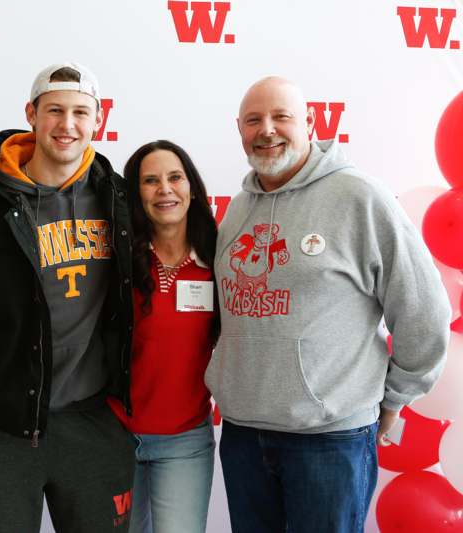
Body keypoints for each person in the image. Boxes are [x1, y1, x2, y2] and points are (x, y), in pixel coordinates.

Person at [205, 76, 451, 533]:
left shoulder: (360, 197)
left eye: (282, 116)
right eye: (254, 120)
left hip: (329, 441)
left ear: (311, 122)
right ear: (238, 128)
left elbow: (424, 309)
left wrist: (395, 398)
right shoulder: (238, 208)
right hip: (242, 435)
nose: (268, 129)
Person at [0, 63, 136, 532]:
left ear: (97, 120)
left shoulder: (119, 199)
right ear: (31, 114)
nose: (66, 125)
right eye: (54, 110)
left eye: (79, 112)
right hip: (3, 424)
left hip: (92, 419)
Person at [108, 140, 218, 533]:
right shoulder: (117, 260)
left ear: (192, 186)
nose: (165, 189)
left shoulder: (220, 259)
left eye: (175, 177)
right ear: (136, 194)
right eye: (150, 181)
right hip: (114, 437)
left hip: (185, 442)